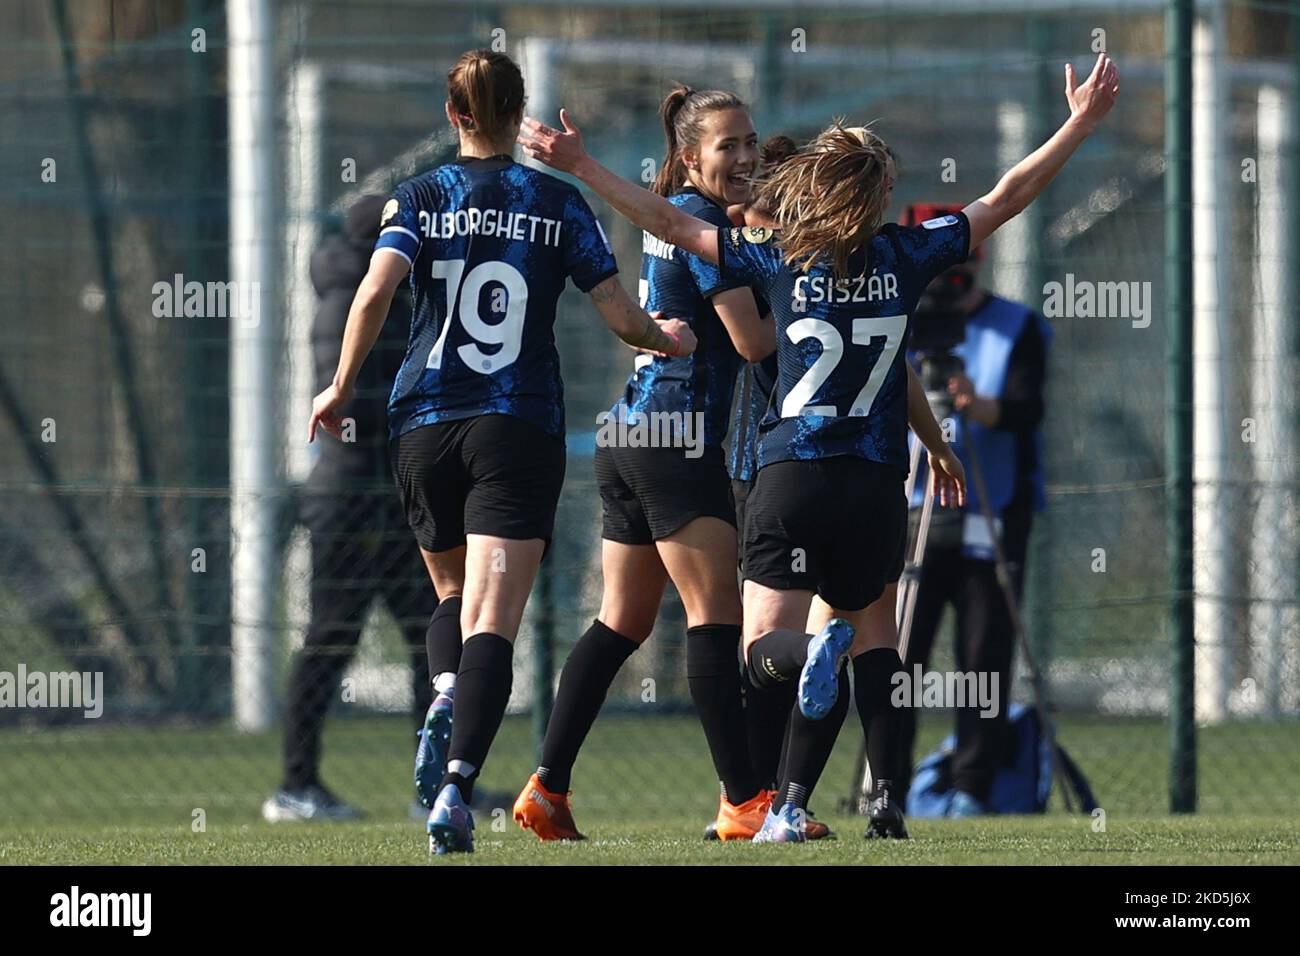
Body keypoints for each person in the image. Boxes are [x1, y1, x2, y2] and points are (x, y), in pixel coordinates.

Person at [517, 50, 1118, 843]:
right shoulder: (910, 254)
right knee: (872, 637)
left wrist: (583, 164)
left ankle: (753, 798)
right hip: (875, 482)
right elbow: (1006, 197)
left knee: (763, 648)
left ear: (805, 192)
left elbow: (665, 221)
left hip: (786, 471)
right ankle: (847, 804)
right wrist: (1078, 123)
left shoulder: (776, 258)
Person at [308, 49, 696, 855]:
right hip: (512, 425)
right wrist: (666, 340)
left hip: (421, 424)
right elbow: (618, 310)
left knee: (451, 594)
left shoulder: (414, 198)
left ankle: (445, 689)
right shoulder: (556, 202)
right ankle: (454, 789)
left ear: (454, 116)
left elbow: (377, 291)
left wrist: (340, 386)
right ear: (520, 113)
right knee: (496, 621)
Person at [514, 86, 780, 843]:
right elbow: (755, 343)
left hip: (628, 433)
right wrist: (811, 298)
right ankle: (743, 803)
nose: (748, 157)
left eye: (752, 141)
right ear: (691, 157)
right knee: (714, 619)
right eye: (729, 145)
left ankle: (548, 788)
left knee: (621, 621)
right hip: (677, 436)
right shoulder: (698, 225)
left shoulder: (685, 216)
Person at [263, 196, 436, 823]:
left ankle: (433, 787)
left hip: (367, 494)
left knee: (425, 635)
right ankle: (295, 784)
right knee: (331, 639)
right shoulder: (361, 301)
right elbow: (367, 404)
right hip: (355, 495)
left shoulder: (354, 291)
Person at [894, 202, 1053, 817]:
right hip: (911, 507)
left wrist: (975, 404)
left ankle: (972, 784)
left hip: (992, 504)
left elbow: (1026, 411)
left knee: (983, 657)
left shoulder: (1017, 326)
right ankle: (891, 782)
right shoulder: (896, 321)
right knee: (900, 651)